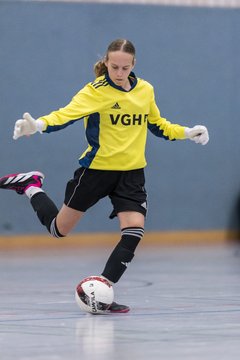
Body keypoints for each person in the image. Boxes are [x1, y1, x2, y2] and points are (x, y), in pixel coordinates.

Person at [0, 39, 209, 313]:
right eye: (114, 67)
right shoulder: (95, 91)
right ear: (106, 63)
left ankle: (103, 290)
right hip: (96, 171)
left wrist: (186, 132)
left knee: (134, 231)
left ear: (134, 65)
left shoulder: (145, 90)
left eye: (124, 67)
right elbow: (66, 115)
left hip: (132, 174)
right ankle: (29, 185)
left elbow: (157, 124)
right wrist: (37, 125)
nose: (119, 72)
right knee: (58, 230)